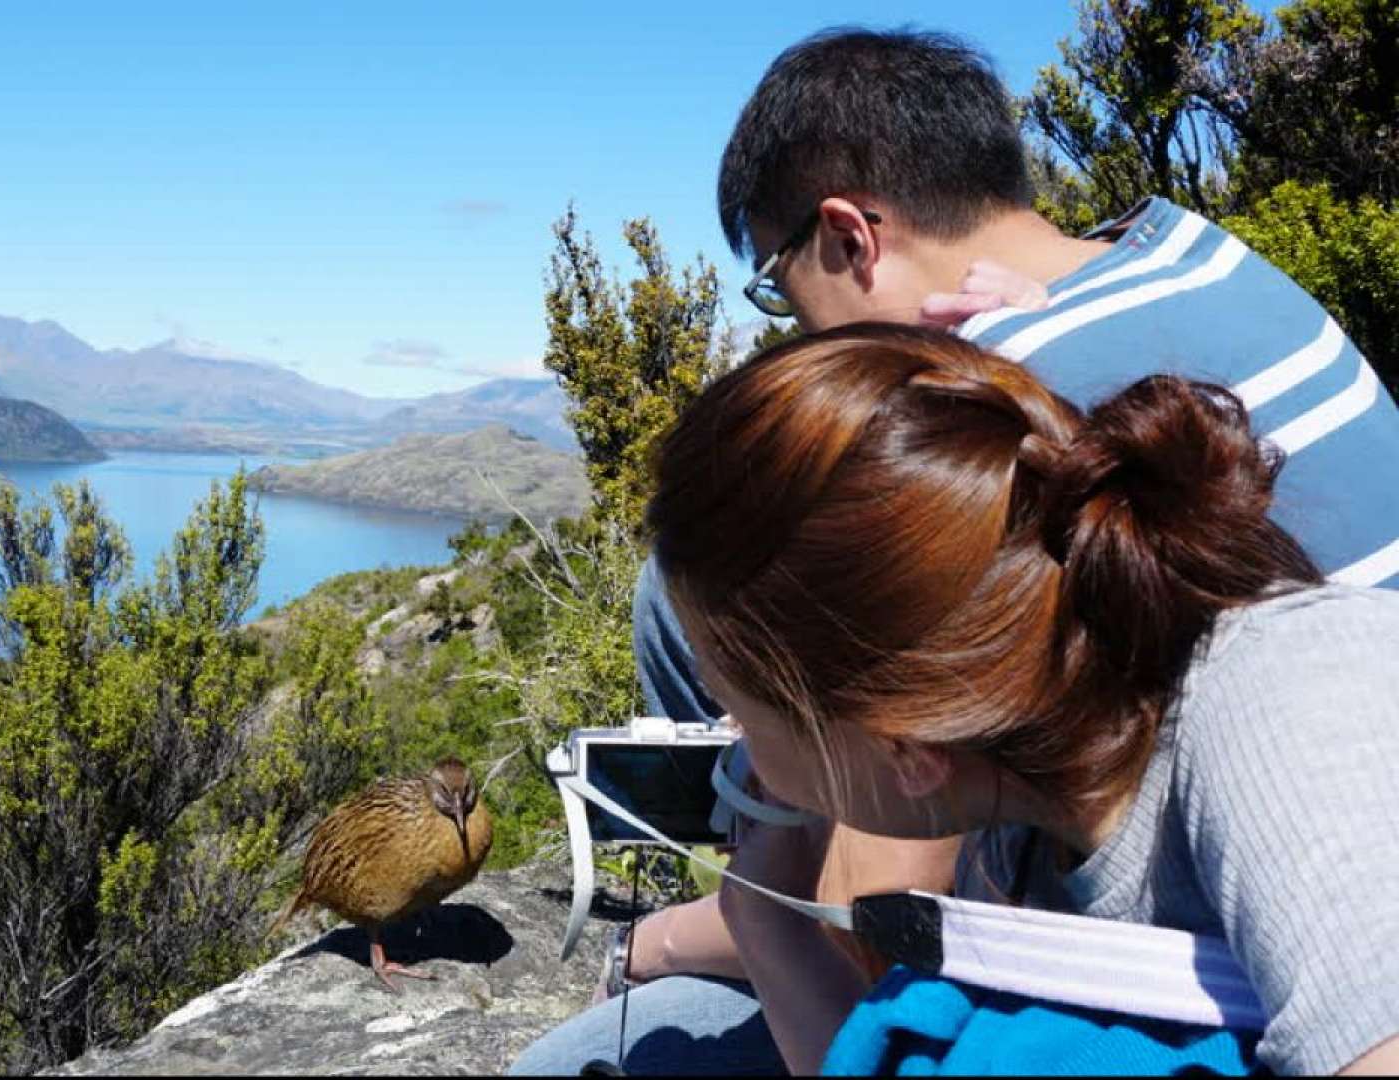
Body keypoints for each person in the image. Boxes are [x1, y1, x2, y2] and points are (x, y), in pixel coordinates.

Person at [514, 25, 1399, 1076]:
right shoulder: (1182, 265)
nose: (797, 333)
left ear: (848, 237)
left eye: (777, 287)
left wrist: (712, 912)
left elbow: (867, 917)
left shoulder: (1280, 684)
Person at [546, 325, 1399, 1074]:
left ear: (905, 748)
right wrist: (768, 924)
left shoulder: (1295, 694)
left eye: (744, 720)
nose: (737, 749)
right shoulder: (1013, 822)